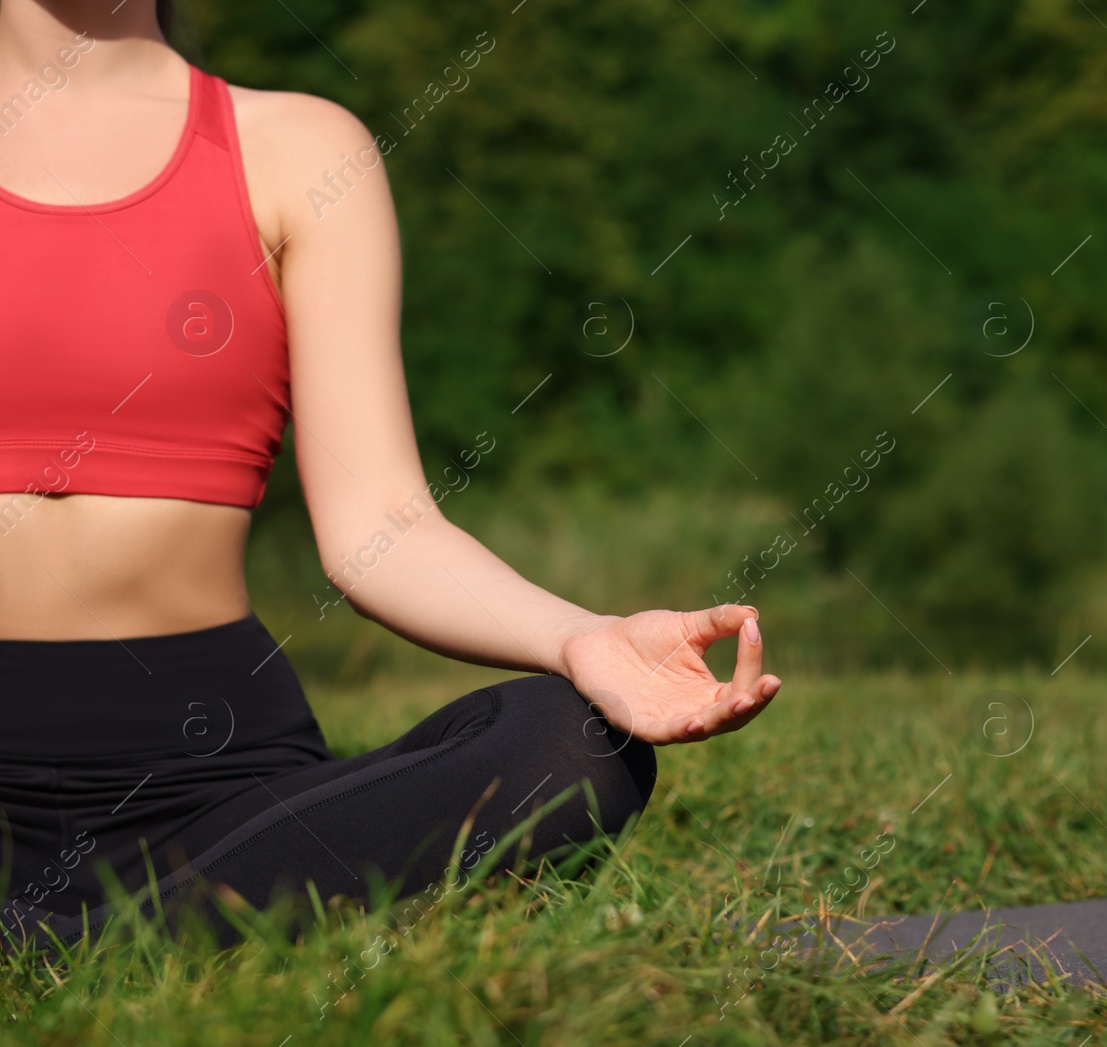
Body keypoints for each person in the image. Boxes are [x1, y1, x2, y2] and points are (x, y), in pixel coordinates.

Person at [0, 0, 781, 952]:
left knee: (568, 745)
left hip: (209, 784)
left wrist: (586, 639)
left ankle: (64, 945)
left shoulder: (299, 149)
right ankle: (144, 944)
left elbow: (383, 528)